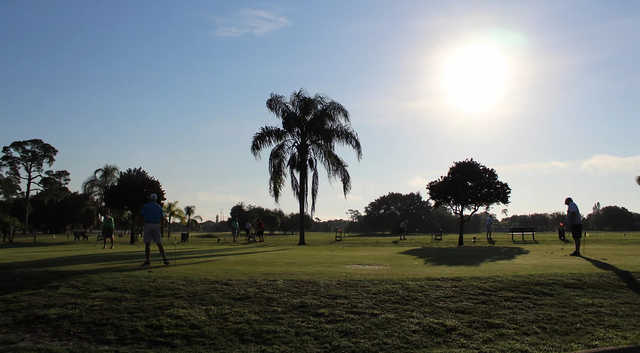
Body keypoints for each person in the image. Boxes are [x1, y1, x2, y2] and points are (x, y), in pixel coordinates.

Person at [141, 193, 169, 266]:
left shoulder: (146, 206)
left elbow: (142, 216)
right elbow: (162, 218)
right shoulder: (159, 207)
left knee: (147, 244)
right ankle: (165, 259)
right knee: (159, 243)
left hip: (148, 224)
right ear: (156, 199)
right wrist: (162, 227)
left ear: (150, 198)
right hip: (156, 225)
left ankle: (147, 260)